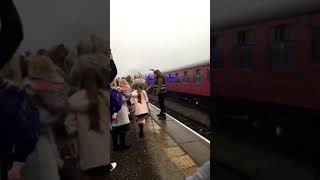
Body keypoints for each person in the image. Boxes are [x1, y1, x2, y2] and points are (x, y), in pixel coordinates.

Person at [21, 55, 68, 180]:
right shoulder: (32, 92)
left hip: (35, 148)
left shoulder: (26, 90)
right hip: (37, 149)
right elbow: (42, 121)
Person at [65, 67, 111, 180]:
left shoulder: (73, 100)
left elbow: (70, 127)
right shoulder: (105, 97)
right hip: (105, 151)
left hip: (87, 153)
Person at [111, 79, 131, 151]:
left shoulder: (113, 89)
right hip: (120, 110)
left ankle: (116, 146)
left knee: (115, 129)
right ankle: (121, 145)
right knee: (122, 129)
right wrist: (123, 93)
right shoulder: (118, 90)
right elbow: (124, 99)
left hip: (114, 111)